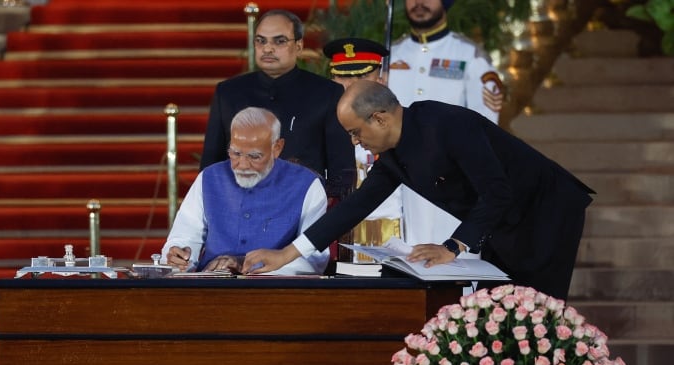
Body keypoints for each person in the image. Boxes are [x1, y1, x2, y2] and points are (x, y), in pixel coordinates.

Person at [242, 80, 594, 301]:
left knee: (533, 319)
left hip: (547, 212)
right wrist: (287, 254)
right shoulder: (393, 155)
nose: (355, 143)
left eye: (355, 132)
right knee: (494, 316)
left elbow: (497, 191)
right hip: (500, 223)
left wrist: (452, 247)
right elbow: (356, 207)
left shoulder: (446, 125)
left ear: (379, 119)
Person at [161, 106, 330, 365]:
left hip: (277, 305)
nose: (241, 164)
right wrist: (182, 255)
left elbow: (316, 257)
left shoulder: (308, 185)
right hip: (213, 303)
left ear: (277, 148)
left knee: (266, 358)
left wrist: (248, 267)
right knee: (204, 348)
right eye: (235, 153)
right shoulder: (210, 178)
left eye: (254, 156)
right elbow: (184, 238)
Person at [387, 0, 505, 269]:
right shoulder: (391, 56)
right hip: (402, 188)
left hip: (454, 187)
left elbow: (486, 125)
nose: (418, 3)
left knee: (459, 274)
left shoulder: (469, 55)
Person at [200, 9, 355, 198]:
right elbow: (211, 166)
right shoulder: (229, 93)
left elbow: (342, 170)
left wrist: (328, 218)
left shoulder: (327, 93)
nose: (267, 49)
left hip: (305, 211)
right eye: (261, 41)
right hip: (240, 208)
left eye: (279, 41)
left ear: (299, 45)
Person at [323, 37, 404, 261]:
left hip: (391, 238)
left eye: (362, 75)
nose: (352, 84)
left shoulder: (395, 123)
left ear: (381, 79)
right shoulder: (321, 122)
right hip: (334, 236)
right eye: (343, 76)